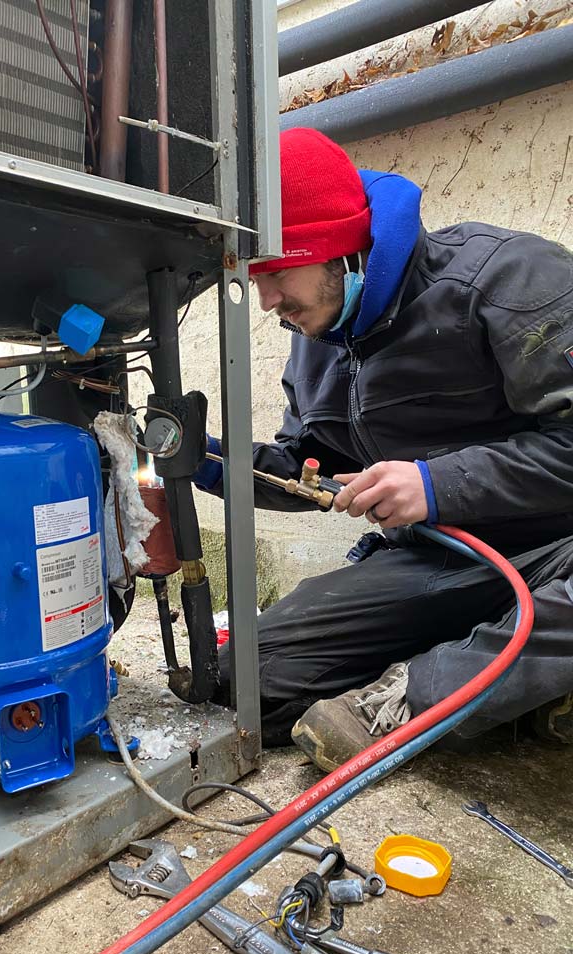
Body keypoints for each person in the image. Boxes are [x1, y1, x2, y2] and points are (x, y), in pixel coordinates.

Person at [194, 126, 573, 771]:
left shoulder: (508, 282)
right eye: (255, 279)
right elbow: (312, 466)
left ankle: (408, 699)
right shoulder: (318, 332)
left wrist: (436, 485)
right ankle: (516, 691)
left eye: (279, 273)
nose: (268, 302)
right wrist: (204, 462)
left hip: (556, 552)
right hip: (443, 559)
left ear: (342, 252)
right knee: (249, 679)